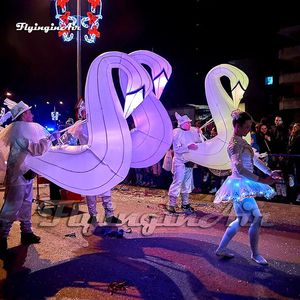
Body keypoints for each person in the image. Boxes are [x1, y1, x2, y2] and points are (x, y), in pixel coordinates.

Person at [214, 110, 280, 265]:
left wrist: (270, 172)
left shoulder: (241, 141)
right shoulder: (234, 144)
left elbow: (254, 160)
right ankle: (255, 254)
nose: (249, 130)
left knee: (242, 219)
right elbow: (239, 169)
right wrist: (263, 180)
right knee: (256, 218)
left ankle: (222, 249)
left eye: (250, 126)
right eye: (246, 127)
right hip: (240, 184)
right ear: (237, 126)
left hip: (243, 184)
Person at [0, 99, 53, 252]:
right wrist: (48, 140)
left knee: (26, 204)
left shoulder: (24, 130)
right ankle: (2, 237)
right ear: (23, 116)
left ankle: (27, 232)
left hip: (26, 174)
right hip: (17, 176)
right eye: (29, 112)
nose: (31, 114)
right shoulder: (19, 133)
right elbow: (36, 149)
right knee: (11, 206)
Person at [68, 99, 121, 224]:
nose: (88, 113)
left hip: (100, 160)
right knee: (90, 189)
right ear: (82, 113)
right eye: (85, 111)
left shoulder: (98, 124)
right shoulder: (79, 126)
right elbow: (70, 140)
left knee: (106, 187)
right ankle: (93, 215)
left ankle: (109, 214)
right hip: (87, 162)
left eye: (89, 111)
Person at [167, 112, 204, 214]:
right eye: (187, 123)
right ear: (181, 124)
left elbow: (200, 143)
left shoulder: (192, 130)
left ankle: (185, 204)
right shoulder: (176, 133)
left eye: (189, 122)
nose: (189, 124)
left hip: (189, 162)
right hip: (179, 161)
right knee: (177, 181)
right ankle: (171, 204)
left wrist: (199, 133)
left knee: (187, 184)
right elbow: (177, 149)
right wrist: (187, 147)